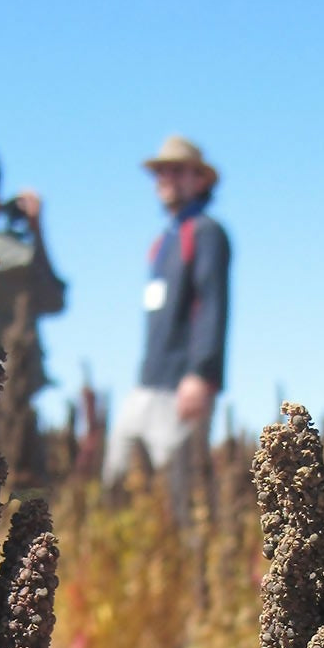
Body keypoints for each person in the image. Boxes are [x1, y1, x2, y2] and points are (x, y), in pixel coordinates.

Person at [103, 135, 230, 518]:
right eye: (161, 171)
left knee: (177, 497)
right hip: (148, 382)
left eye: (177, 171)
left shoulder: (206, 232)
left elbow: (212, 304)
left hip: (181, 387)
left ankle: (188, 574)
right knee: (116, 478)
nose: (165, 179)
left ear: (200, 180)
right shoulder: (165, 241)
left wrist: (199, 374)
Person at [0, 156, 67, 481]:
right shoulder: (14, 256)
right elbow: (54, 300)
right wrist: (36, 230)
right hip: (11, 396)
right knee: (24, 504)